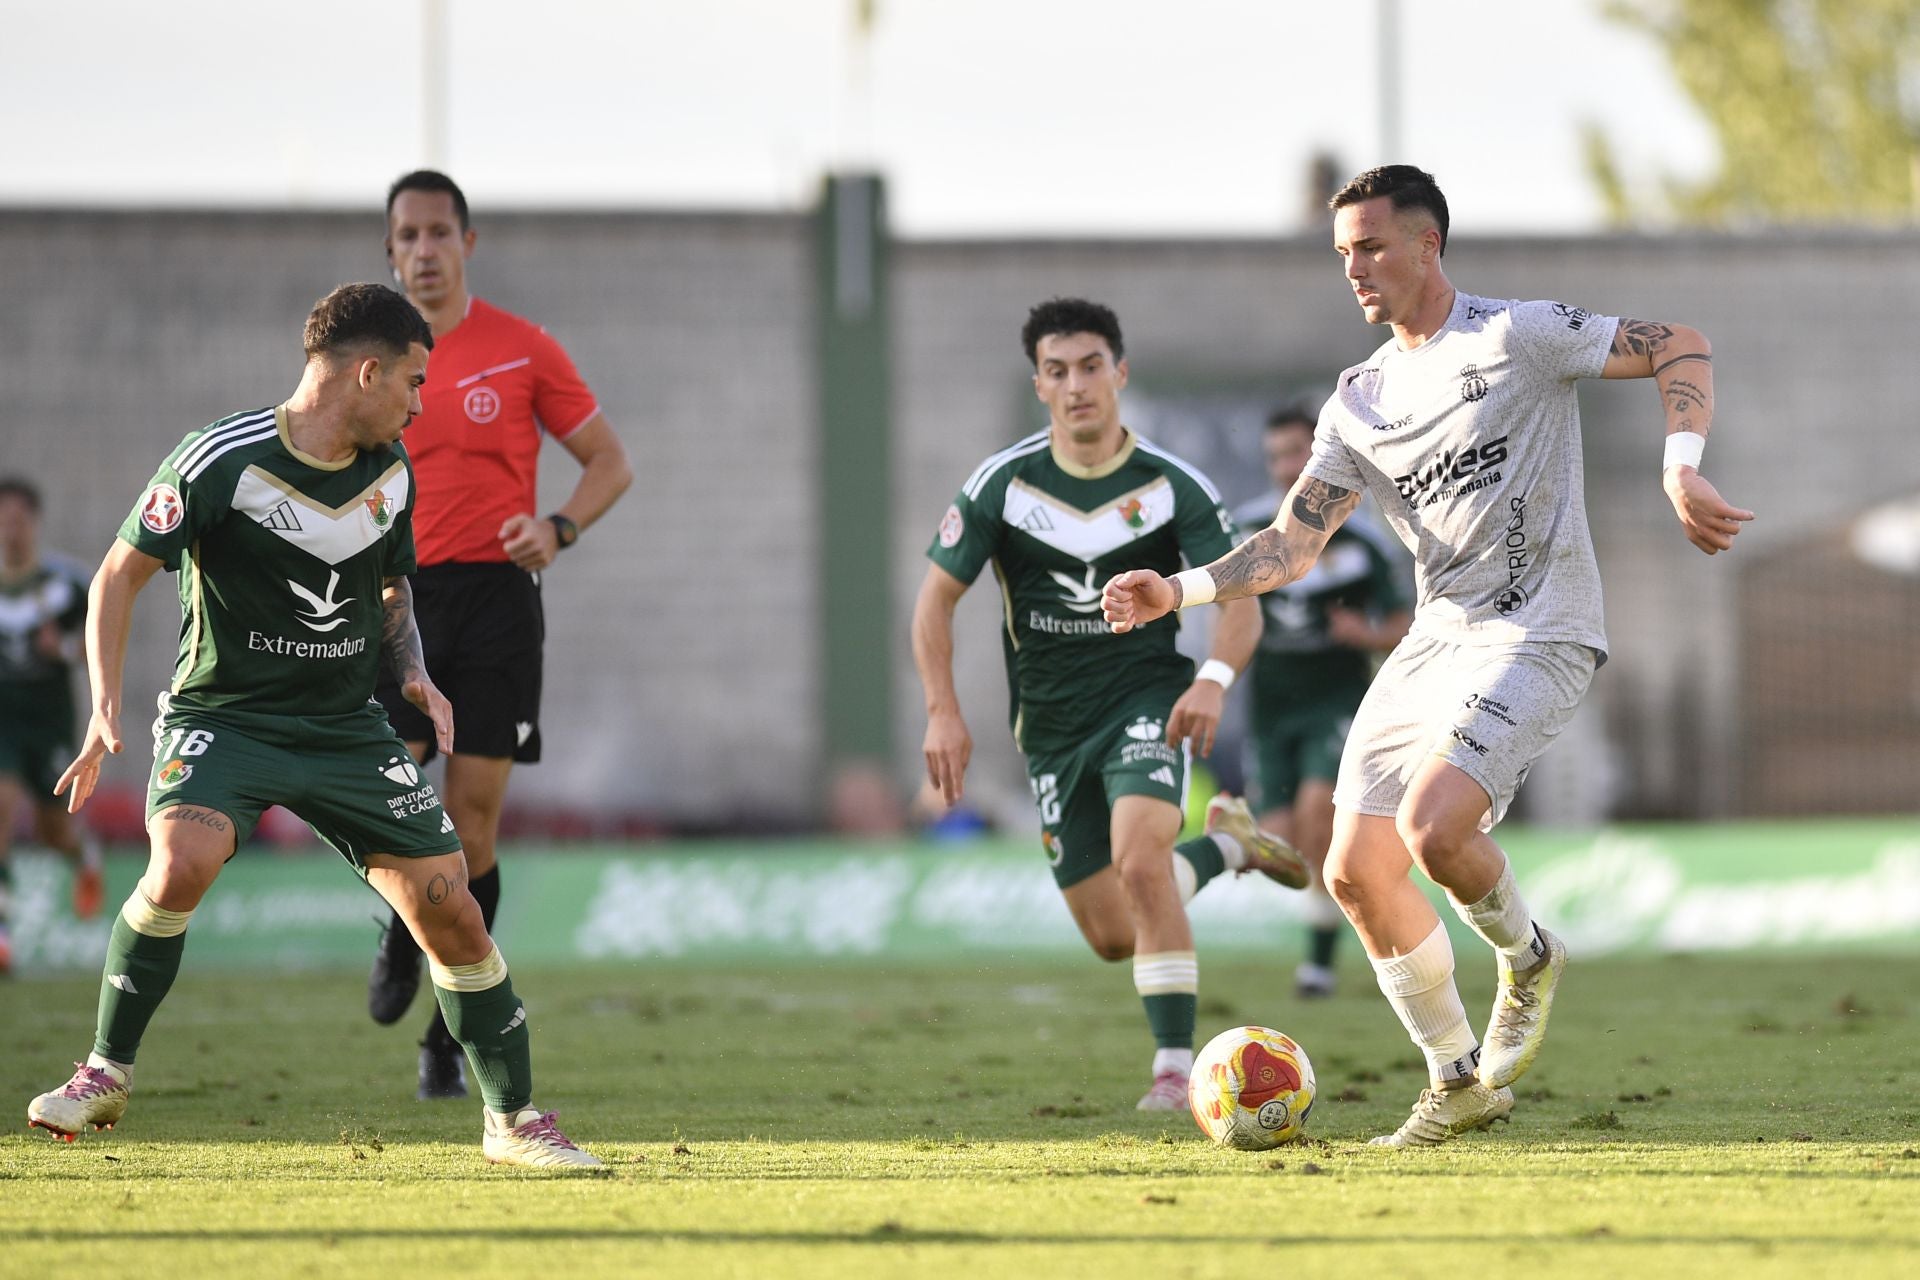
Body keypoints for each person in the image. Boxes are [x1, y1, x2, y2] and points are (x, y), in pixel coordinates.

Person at [1102, 165, 1752, 1146]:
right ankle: (1457, 1080)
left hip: (1539, 627)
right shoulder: (1358, 399)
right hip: (1435, 641)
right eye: (1343, 252)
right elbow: (1290, 545)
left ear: (1426, 244)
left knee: (1432, 827)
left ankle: (1528, 956)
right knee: (1356, 871)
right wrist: (1179, 590)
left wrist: (1680, 468)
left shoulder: (1517, 334)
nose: (1354, 268)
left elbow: (1680, 342)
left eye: (1370, 246)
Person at [25, 283, 599, 1169]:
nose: (419, 404)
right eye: (412, 382)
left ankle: (514, 1123)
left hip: (344, 727)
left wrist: (414, 673)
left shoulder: (392, 473)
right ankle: (104, 1072)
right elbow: (116, 576)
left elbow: (392, 590)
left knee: (451, 910)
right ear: (367, 373)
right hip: (227, 718)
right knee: (180, 863)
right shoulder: (220, 459)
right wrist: (104, 707)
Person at [914, 297, 1310, 1111]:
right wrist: (942, 711)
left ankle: (1174, 1071)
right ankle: (1227, 848)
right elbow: (933, 602)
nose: (1076, 386)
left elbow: (1242, 601)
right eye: (1057, 371)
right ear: (1039, 386)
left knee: (1140, 862)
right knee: (1113, 934)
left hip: (1146, 701)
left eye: (1091, 366)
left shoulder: (1171, 486)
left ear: (1119, 373)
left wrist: (1212, 680)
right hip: (1052, 729)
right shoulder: (1002, 484)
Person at [367, 170, 632, 1100]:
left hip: (496, 604)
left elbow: (609, 462)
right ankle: (405, 930)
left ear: (467, 243)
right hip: (394, 601)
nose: (426, 250)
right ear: (391, 251)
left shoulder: (523, 349)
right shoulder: (371, 360)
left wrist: (557, 528)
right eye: (409, 235)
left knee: (473, 821)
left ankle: (448, 1033)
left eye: (440, 232)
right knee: (390, 797)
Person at [1231, 409, 1410, 999]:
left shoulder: (1364, 539)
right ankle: (1338, 921)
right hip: (1270, 710)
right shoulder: (1248, 530)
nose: (1286, 467)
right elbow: (1224, 612)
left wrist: (1367, 635)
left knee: (1317, 816)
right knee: (1279, 845)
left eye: (1296, 453)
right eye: (1276, 456)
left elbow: (1407, 624)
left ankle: (1319, 966)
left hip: (1336, 702)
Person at [0, 477, 106, 972]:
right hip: (4, 719)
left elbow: (99, 644)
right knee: (1, 803)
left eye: (18, 519)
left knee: (53, 830)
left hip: (49, 722)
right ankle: (3, 931)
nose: (11, 529)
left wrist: (61, 648)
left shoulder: (65, 585)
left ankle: (85, 857)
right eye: (3, 520)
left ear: (34, 523)